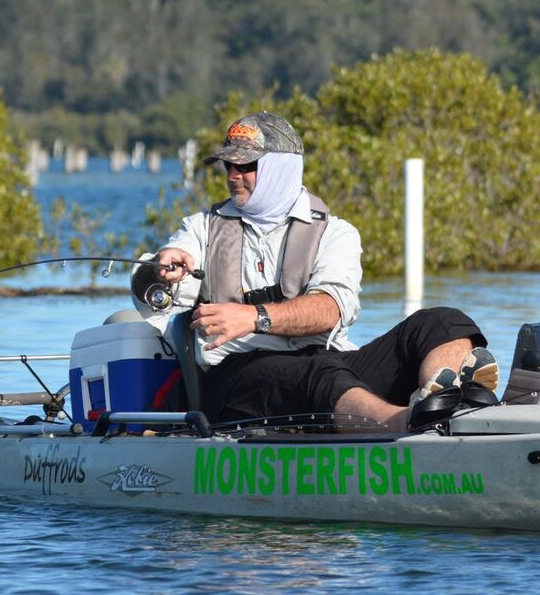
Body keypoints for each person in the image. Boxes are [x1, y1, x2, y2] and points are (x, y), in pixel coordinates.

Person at [150, 111, 497, 430]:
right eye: (227, 167)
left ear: (279, 169)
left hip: (326, 363)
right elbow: (154, 290)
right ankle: (406, 423)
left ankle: (445, 400)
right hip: (238, 380)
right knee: (322, 374)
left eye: (246, 166)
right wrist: (163, 266)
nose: (233, 176)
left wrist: (253, 317)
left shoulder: (337, 233)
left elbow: (330, 309)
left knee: (440, 321)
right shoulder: (200, 228)